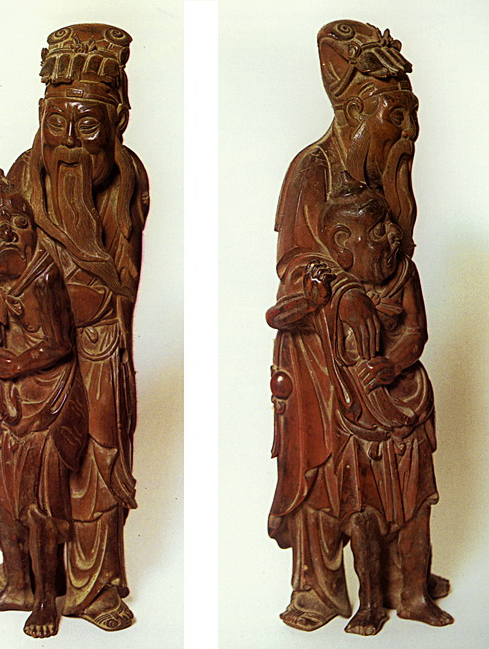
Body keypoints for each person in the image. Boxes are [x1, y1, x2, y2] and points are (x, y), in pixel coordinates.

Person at [0, 24, 149, 631]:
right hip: (31, 364)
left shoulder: (125, 181)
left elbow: (118, 282)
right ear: (41, 116)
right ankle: (32, 576)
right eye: (57, 123)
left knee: (99, 459)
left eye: (87, 126)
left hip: (95, 344)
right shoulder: (22, 172)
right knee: (19, 470)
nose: (68, 142)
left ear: (116, 124)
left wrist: (56, 299)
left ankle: (93, 585)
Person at [267, 20, 449, 633]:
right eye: (394, 117)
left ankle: (405, 579)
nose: (407, 131)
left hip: (385, 367)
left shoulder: (386, 181)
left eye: (410, 115)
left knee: (397, 483)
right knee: (328, 478)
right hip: (321, 359)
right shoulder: (312, 171)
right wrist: (340, 292)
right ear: (353, 112)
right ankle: (321, 589)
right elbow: (293, 270)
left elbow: (404, 292)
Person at [0, 167, 87, 638]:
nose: (7, 235)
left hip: (46, 404)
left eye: (19, 225)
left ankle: (46, 598)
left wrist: (18, 365)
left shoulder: (43, 276)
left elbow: (60, 343)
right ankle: (17, 582)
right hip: (7, 409)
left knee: (40, 505)